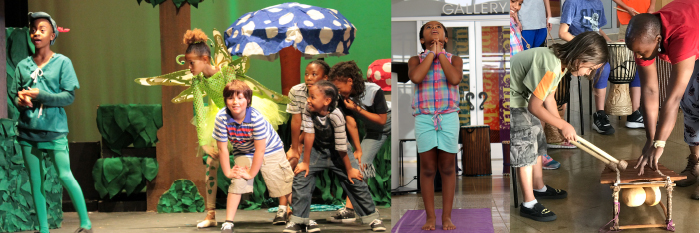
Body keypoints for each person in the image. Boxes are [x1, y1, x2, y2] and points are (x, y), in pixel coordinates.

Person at [511, 31, 608, 221]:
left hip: (520, 98)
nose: (587, 73)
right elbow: (534, 106)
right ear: (581, 57)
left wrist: (560, 126)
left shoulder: (560, 64)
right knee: (526, 145)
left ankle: (539, 187)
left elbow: (549, 97)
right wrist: (562, 124)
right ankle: (528, 203)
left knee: (538, 136)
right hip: (509, 100)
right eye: (589, 69)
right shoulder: (551, 65)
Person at [15, 12, 93, 233]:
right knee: (35, 180)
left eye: (42, 29)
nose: (36, 33)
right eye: (33, 29)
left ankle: (85, 223)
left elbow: (68, 97)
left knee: (64, 174)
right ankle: (43, 228)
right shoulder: (23, 65)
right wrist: (22, 100)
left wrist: (41, 95)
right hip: (27, 132)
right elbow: (16, 96)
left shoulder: (62, 63)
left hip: (54, 130)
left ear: (53, 34)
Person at [284, 81, 385, 232]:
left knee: (355, 180)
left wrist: (349, 169)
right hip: (316, 150)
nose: (308, 100)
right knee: (301, 177)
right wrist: (305, 162)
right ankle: (299, 220)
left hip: (339, 153)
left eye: (312, 97)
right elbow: (309, 134)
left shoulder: (336, 115)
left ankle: (372, 217)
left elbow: (341, 146)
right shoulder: (308, 109)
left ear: (327, 101)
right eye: (308, 96)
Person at [624, 0, 699, 199]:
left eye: (641, 52)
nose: (638, 55)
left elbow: (672, 98)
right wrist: (651, 138)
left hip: (693, 30)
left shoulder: (682, 34)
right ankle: (696, 163)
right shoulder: (643, 38)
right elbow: (649, 90)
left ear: (658, 39)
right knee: (690, 104)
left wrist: (660, 143)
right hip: (693, 36)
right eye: (636, 52)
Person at [214, 80, 294, 233]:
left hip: (270, 149)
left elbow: (260, 150)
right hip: (243, 150)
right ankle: (228, 222)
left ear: (248, 100)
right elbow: (222, 148)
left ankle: (302, 218)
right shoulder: (221, 118)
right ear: (225, 100)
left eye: (240, 98)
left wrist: (251, 173)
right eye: (230, 98)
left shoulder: (256, 118)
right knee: (237, 181)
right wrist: (228, 172)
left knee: (283, 184)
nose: (235, 102)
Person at [407, 21, 462, 231]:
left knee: (447, 167)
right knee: (428, 168)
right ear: (423, 39)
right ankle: (430, 217)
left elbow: (455, 79)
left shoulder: (454, 59)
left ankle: (446, 217)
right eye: (429, 27)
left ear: (446, 39)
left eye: (438, 27)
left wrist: (440, 55)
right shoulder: (415, 60)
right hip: (424, 117)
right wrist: (431, 54)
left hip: (448, 117)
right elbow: (416, 77)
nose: (434, 29)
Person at [560, 0, 644, 135]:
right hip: (580, 53)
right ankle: (599, 114)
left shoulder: (598, 3)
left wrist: (610, 42)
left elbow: (596, 28)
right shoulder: (572, 2)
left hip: (595, 49)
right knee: (603, 67)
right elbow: (562, 33)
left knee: (634, 65)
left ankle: (634, 113)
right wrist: (584, 47)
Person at [327, 61, 390, 223]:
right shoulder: (343, 97)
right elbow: (351, 122)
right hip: (375, 131)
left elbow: (382, 120)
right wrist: (358, 148)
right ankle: (350, 209)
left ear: (350, 81)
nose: (337, 92)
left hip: (392, 123)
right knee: (360, 163)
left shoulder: (374, 91)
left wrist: (357, 109)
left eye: (339, 88)